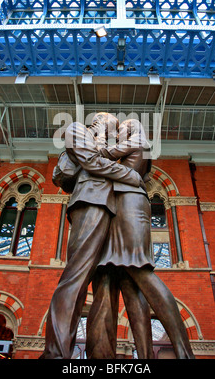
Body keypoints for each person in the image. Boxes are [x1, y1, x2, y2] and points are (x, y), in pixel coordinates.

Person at [86, 119, 195, 359]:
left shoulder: (136, 140)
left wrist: (99, 135)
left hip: (129, 204)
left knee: (140, 271)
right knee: (128, 282)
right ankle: (145, 357)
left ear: (132, 128)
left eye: (122, 128)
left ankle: (183, 351)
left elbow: (101, 156)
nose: (119, 132)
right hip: (122, 205)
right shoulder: (139, 146)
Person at [40, 113, 145, 359]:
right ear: (99, 121)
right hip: (90, 202)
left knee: (107, 285)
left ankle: (102, 356)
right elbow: (91, 163)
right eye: (113, 125)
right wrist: (131, 176)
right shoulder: (77, 129)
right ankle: (56, 353)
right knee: (75, 277)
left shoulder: (107, 145)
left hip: (113, 209)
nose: (116, 130)